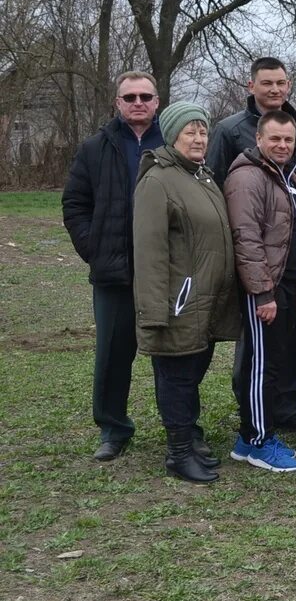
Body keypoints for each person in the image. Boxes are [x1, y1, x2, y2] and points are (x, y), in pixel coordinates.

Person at [132, 102, 240, 483]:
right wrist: (154, 312)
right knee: (176, 375)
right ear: (173, 135)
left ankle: (189, 439)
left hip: (205, 301)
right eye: (189, 131)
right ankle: (178, 453)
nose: (198, 138)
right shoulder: (158, 181)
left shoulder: (201, 176)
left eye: (203, 131)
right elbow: (150, 253)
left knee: (191, 372)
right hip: (177, 303)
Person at [62, 71, 165, 461]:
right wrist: (95, 249)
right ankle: (113, 427)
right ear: (117, 103)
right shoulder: (95, 148)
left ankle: (177, 424)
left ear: (157, 102)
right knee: (112, 354)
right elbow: (75, 204)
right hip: (114, 273)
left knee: (171, 352)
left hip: (163, 272)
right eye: (129, 97)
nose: (138, 103)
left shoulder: (173, 143)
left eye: (145, 96)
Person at [223, 110, 296, 473]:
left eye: (288, 139)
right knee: (259, 365)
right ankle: (255, 441)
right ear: (259, 139)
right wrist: (262, 293)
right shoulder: (249, 177)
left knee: (275, 364)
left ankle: (259, 433)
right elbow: (245, 238)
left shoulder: (289, 176)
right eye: (275, 139)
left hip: (288, 287)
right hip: (267, 288)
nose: (282, 145)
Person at [206, 56, 296, 186]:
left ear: (288, 86)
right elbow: (214, 184)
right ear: (251, 86)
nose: (275, 90)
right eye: (267, 83)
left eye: (280, 83)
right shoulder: (228, 130)